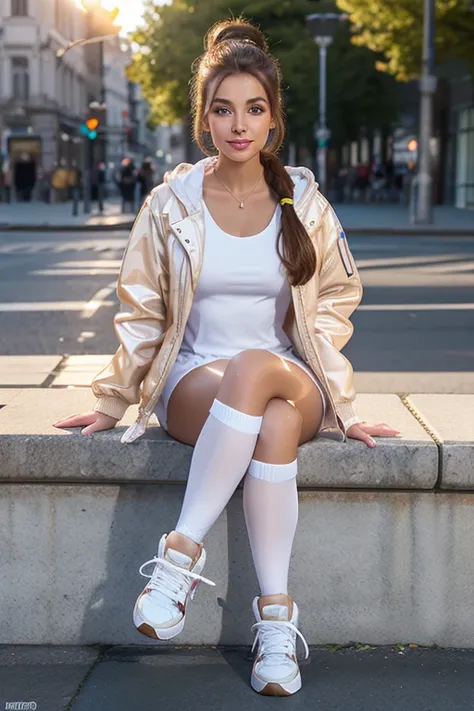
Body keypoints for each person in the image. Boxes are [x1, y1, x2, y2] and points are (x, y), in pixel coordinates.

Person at [53, 18, 400, 697]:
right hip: (194, 382)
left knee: (258, 370)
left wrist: (345, 406)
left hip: (288, 374)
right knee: (263, 412)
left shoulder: (303, 200)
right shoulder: (171, 203)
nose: (239, 124)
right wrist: (111, 400)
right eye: (223, 108)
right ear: (203, 118)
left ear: (273, 118)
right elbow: (142, 308)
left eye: (254, 108)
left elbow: (330, 303)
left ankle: (179, 556)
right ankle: (276, 620)